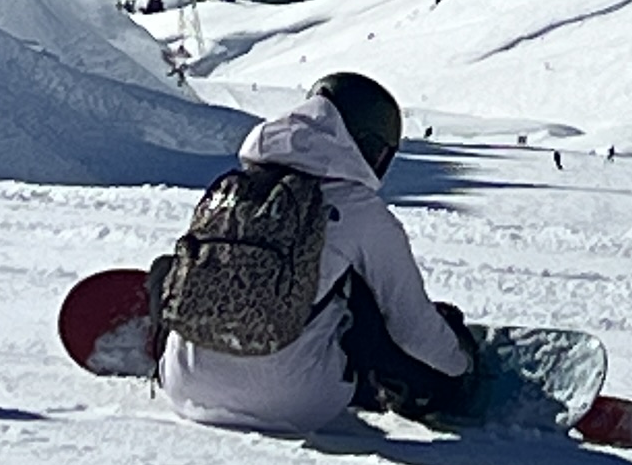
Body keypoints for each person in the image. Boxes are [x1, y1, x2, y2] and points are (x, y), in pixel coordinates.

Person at [157, 72, 480, 434]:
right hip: (295, 403)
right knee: (364, 297)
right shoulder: (360, 210)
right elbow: (410, 328)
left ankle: (181, 347)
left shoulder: (232, 189)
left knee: (171, 269)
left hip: (183, 388)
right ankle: (397, 389)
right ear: (368, 146)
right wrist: (462, 364)